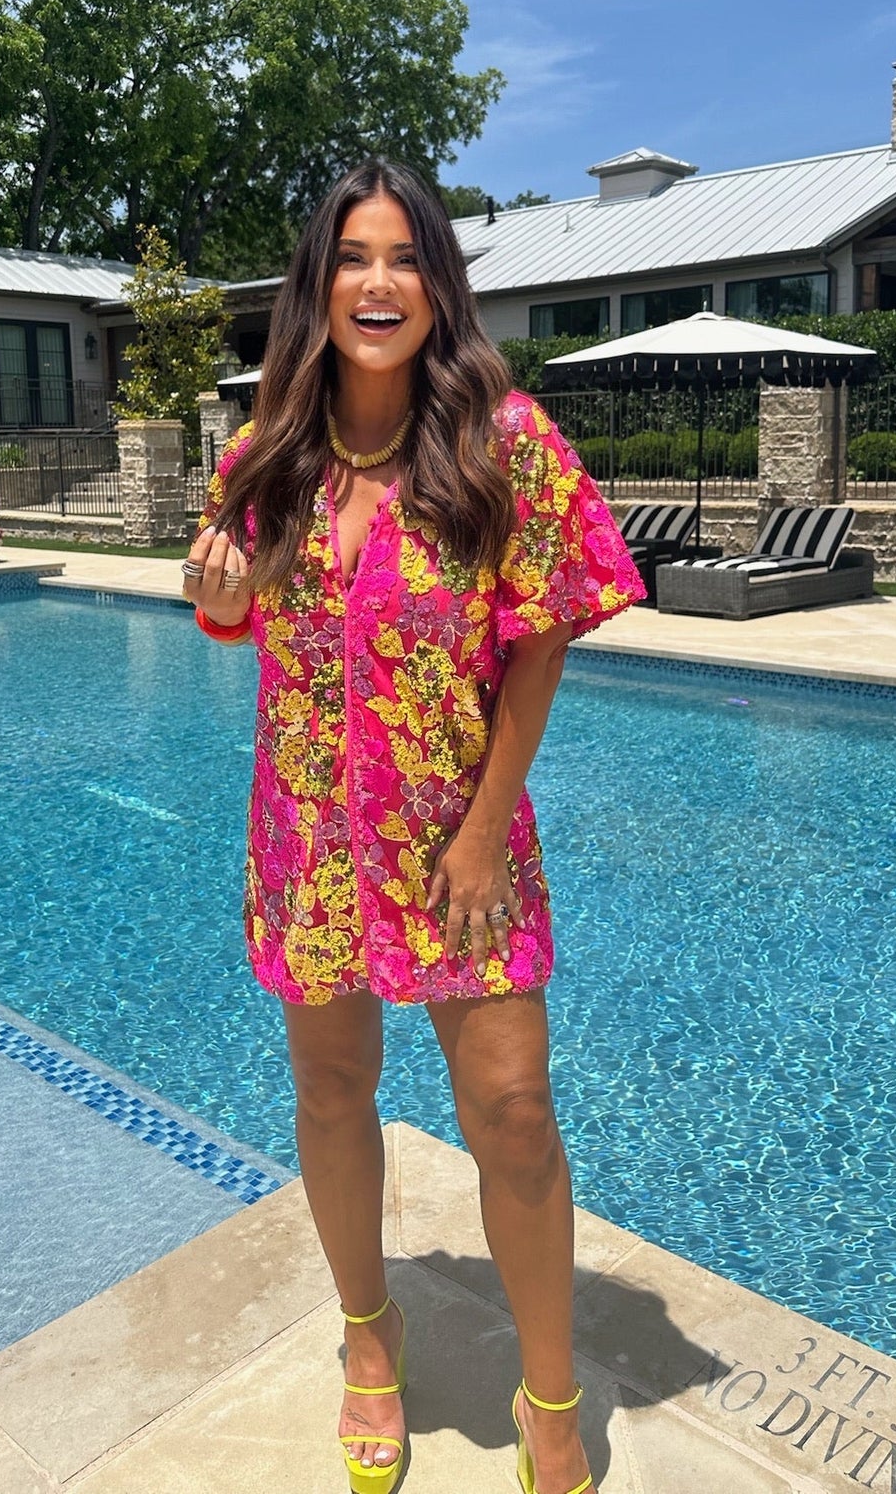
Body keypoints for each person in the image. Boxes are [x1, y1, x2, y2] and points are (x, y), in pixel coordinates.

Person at [182, 160, 644, 1494]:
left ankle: (549, 1400)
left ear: (437, 288)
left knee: (515, 1112)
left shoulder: (507, 441)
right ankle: (368, 1339)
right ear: (316, 287)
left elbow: (543, 638)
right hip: (310, 842)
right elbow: (231, 612)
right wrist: (219, 592)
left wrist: (486, 831)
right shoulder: (264, 456)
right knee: (332, 1093)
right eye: (351, 258)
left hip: (461, 840)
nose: (376, 283)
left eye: (403, 259)